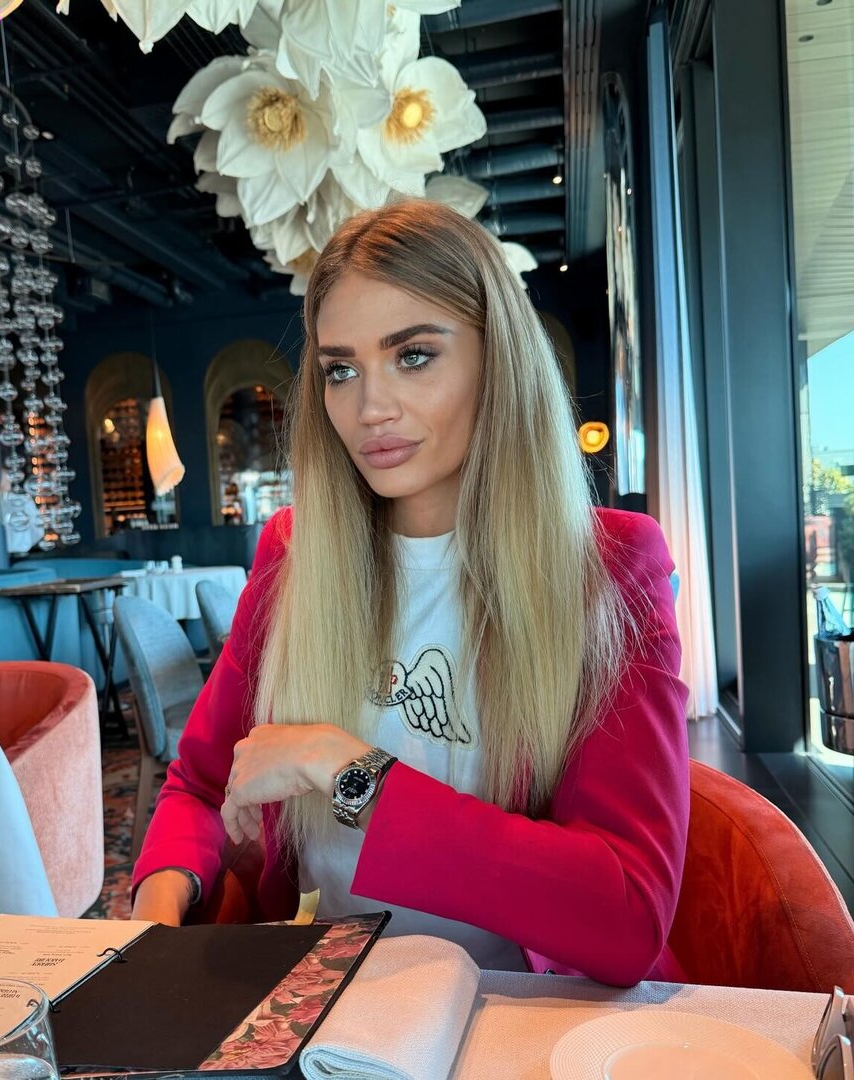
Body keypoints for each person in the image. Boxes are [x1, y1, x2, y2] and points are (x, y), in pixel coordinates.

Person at [130, 201, 690, 988]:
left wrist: (344, 768)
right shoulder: (294, 556)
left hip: (528, 1013)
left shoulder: (608, 568)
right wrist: (154, 919)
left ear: (497, 361)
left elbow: (626, 913)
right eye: (341, 370)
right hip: (329, 1002)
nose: (371, 409)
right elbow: (198, 783)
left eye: (414, 355)